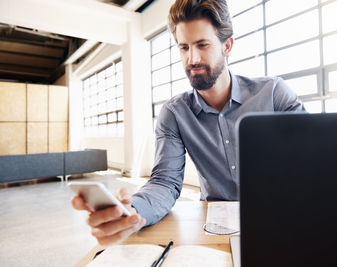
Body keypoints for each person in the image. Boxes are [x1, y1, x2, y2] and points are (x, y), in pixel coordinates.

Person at [72, 0, 305, 246]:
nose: (192, 59)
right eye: (184, 47)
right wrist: (131, 211)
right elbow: (165, 182)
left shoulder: (273, 94)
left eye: (202, 45)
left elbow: (313, 159)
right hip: (215, 228)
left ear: (227, 45)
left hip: (279, 219)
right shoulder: (174, 113)